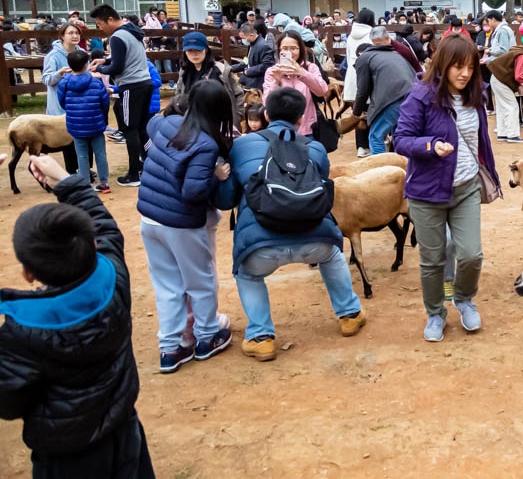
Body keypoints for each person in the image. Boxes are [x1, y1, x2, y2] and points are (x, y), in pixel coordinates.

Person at [1, 154, 155, 478]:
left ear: (29, 273)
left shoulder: (21, 334)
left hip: (66, 459)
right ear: (91, 244)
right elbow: (104, 225)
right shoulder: (112, 280)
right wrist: (68, 182)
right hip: (125, 434)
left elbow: (9, 401)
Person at [214, 87, 366, 361]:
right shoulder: (315, 148)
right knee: (332, 255)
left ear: (267, 114)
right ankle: (350, 314)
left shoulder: (241, 146)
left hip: (260, 245)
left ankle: (261, 337)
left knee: (248, 274)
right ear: (301, 118)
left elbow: (226, 201)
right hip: (315, 239)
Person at [393, 34, 500, 342]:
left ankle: (464, 299)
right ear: (443, 65)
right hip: (427, 193)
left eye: (469, 67)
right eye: (457, 67)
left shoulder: (475, 94)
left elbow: (480, 140)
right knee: (433, 259)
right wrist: (429, 145)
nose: (464, 73)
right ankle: (435, 312)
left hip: (465, 186)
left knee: (470, 255)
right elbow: (401, 139)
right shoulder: (421, 95)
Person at [138, 81, 234, 373]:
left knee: (167, 286)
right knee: (200, 281)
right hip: (180, 224)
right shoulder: (205, 144)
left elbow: (150, 129)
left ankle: (170, 349)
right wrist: (215, 176)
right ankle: (207, 337)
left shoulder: (168, 123)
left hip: (150, 219)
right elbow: (193, 192)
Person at [89, 4, 152, 187]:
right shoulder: (132, 31)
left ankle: (134, 173)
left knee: (129, 129)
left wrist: (100, 68)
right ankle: (146, 165)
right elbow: (124, 57)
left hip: (131, 86)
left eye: (100, 23)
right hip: (144, 84)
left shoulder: (116, 37)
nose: (100, 28)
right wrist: (106, 59)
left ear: (110, 19)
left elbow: (117, 67)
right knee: (141, 128)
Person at [354, 26, 417, 154]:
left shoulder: (365, 58)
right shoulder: (397, 54)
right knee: (400, 136)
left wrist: (356, 113)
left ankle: (382, 171)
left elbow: (362, 91)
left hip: (393, 98)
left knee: (376, 136)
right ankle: (404, 169)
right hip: (414, 97)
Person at [58, 49, 111, 193]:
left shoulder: (64, 84)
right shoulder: (96, 82)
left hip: (76, 125)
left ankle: (85, 184)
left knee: (81, 155)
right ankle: (104, 182)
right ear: (86, 64)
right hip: (95, 124)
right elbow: (104, 102)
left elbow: (62, 103)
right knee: (100, 153)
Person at [263, 31, 329, 137]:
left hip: (308, 130)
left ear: (300, 49)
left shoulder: (310, 68)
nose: (290, 52)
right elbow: (267, 102)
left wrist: (302, 74)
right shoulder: (272, 72)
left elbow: (322, 91)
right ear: (279, 50)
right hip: (281, 133)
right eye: (284, 48)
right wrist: (277, 81)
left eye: (293, 48)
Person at [176, 31, 244, 129]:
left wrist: (237, 116)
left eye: (198, 50)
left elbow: (238, 93)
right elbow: (178, 95)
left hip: (220, 122)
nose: (194, 54)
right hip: (193, 122)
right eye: (189, 50)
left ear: (206, 50)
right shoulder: (184, 72)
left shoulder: (222, 70)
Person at [482, 10, 519, 141]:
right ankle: (511, 134)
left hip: (501, 69)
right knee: (509, 104)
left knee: (505, 104)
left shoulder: (502, 30)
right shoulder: (501, 30)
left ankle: (505, 132)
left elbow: (503, 50)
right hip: (501, 70)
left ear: (493, 19)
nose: (487, 24)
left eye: (487, 21)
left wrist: (489, 51)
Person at [344, 9, 374, 156]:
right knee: (369, 111)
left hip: (352, 76)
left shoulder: (351, 35)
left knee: (358, 110)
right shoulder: (371, 35)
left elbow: (349, 57)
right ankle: (367, 145)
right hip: (366, 75)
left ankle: (361, 145)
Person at [42, 21, 84, 115]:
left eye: (77, 33)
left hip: (80, 102)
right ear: (62, 36)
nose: (75, 36)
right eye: (70, 33)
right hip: (59, 105)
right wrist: (59, 73)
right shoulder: (53, 55)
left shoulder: (82, 53)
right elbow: (46, 79)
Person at [232, 23, 276, 90]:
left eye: (243, 38)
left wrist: (249, 71)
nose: (243, 41)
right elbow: (246, 61)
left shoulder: (264, 46)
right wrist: (231, 68)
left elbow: (267, 65)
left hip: (258, 83)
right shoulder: (251, 45)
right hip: (249, 79)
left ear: (251, 35)